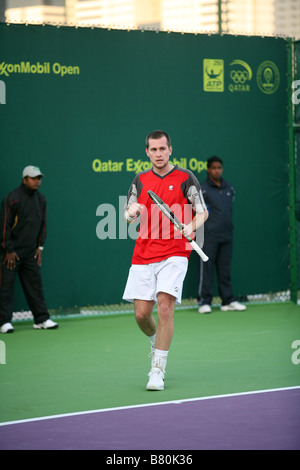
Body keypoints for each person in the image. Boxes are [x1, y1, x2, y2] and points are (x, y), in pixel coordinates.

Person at [122, 130, 208, 390]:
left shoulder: (185, 178)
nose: (158, 154)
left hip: (175, 252)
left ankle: (157, 369)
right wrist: (131, 212)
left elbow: (202, 212)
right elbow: (128, 213)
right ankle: (156, 339)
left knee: (165, 306)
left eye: (163, 149)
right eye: (153, 150)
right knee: (141, 314)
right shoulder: (139, 179)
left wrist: (190, 224)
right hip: (144, 253)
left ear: (170, 149)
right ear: (147, 152)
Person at [0, 166, 58, 333]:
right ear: (24, 179)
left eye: (39, 178)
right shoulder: (12, 199)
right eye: (33, 178)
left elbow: (42, 225)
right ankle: (4, 321)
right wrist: (8, 249)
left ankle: (41, 319)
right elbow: (4, 226)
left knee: (35, 286)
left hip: (31, 252)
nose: (37, 181)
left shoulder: (41, 199)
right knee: (5, 286)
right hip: (10, 254)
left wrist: (39, 247)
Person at [198, 156, 246, 314]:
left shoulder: (229, 188)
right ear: (208, 169)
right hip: (209, 236)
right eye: (213, 168)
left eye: (219, 168)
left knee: (224, 269)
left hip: (226, 235)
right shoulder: (203, 189)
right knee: (207, 269)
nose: (216, 170)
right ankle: (205, 301)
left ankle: (227, 301)